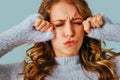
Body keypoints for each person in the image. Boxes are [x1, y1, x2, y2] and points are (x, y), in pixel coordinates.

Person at [0, 0, 120, 80]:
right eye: (59, 24)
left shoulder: (111, 69)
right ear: (44, 29)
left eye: (77, 22)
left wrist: (111, 30)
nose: (69, 33)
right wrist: (20, 33)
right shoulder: (22, 74)